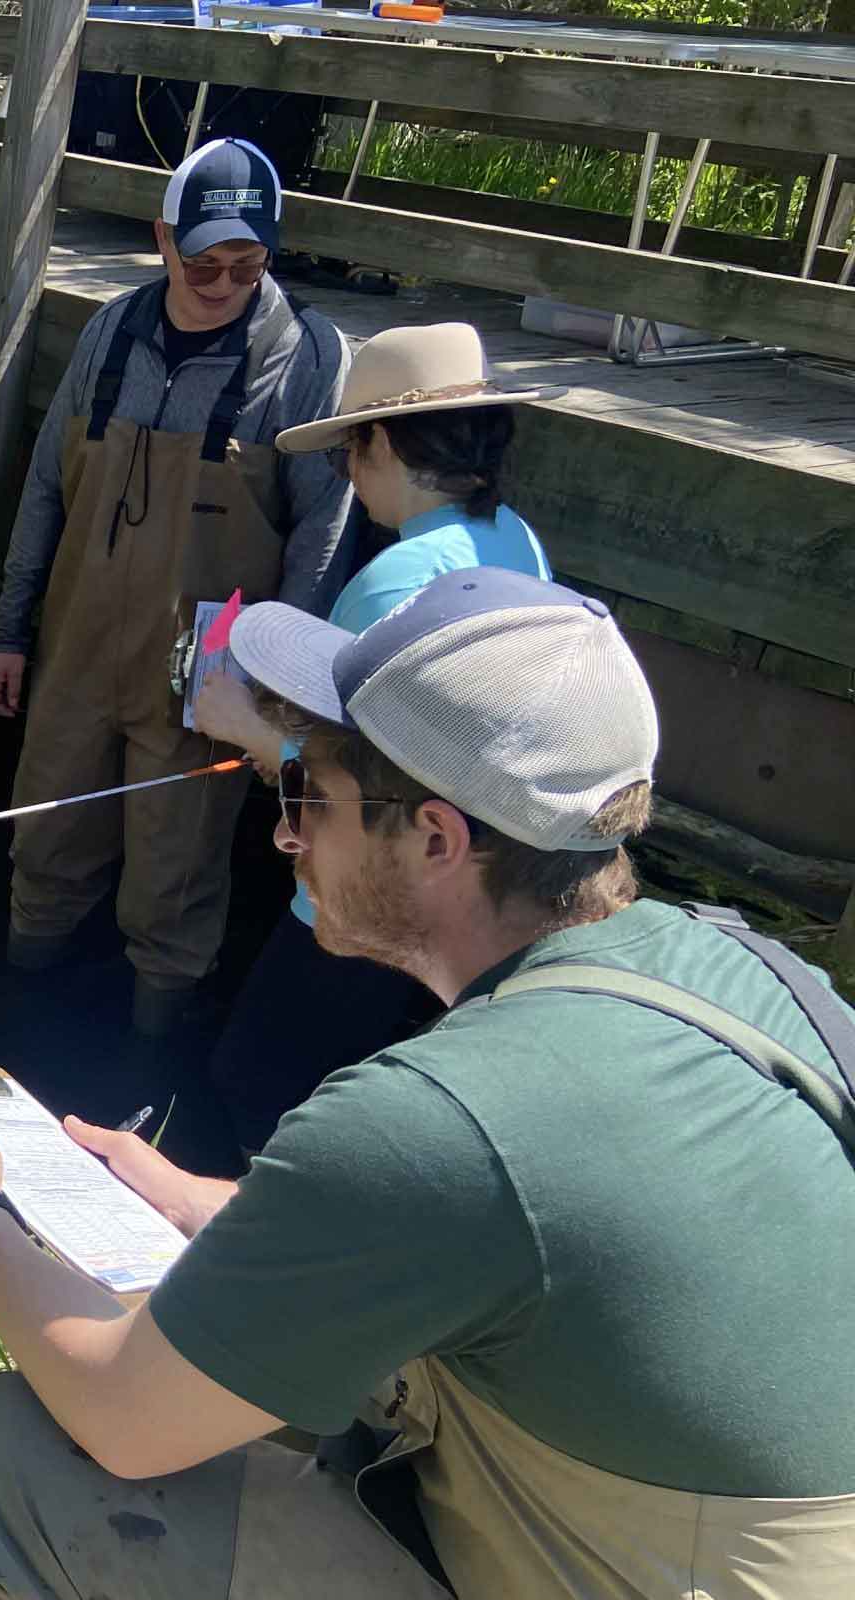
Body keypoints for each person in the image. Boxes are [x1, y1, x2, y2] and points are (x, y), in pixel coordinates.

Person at [0, 570, 855, 1600]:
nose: (283, 839)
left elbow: (119, 1413)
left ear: (437, 839)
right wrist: (193, 1196)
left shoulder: (442, 1121)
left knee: (11, 1470)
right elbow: (542, 1242)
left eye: (308, 799)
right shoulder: (746, 974)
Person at [0, 138, 353, 1035]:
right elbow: (43, 487)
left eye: (248, 264)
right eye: (204, 263)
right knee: (43, 855)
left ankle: (154, 1064)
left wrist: (278, 691)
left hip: (206, 688)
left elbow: (324, 531)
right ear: (163, 239)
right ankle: (15, 1025)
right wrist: (10, 631)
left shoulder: (304, 356)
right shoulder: (111, 330)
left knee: (172, 890)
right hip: (75, 657)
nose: (224, 283)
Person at [196, 321, 561, 1156]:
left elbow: (335, 772)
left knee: (250, 1076)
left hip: (366, 888)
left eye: (345, 454)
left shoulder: (393, 579)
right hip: (465, 885)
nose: (348, 479)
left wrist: (239, 723)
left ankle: (247, 1250)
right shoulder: (517, 541)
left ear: (384, 444)